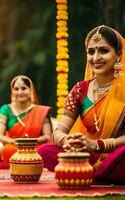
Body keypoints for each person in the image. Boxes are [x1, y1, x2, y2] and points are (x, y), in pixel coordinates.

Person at [38, 25, 125, 185]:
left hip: (117, 153)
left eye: (103, 51)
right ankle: (93, 173)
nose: (96, 57)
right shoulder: (80, 90)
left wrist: (98, 144)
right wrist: (67, 140)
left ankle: (86, 173)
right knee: (45, 150)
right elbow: (57, 132)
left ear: (118, 55)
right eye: (91, 51)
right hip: (89, 154)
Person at [0, 75, 52, 169]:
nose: (20, 92)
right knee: (7, 150)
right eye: (16, 89)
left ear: (30, 90)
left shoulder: (40, 111)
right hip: (14, 147)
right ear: (12, 91)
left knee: (43, 151)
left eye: (24, 88)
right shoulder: (5, 109)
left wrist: (31, 142)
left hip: (34, 147)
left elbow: (48, 136)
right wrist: (15, 142)